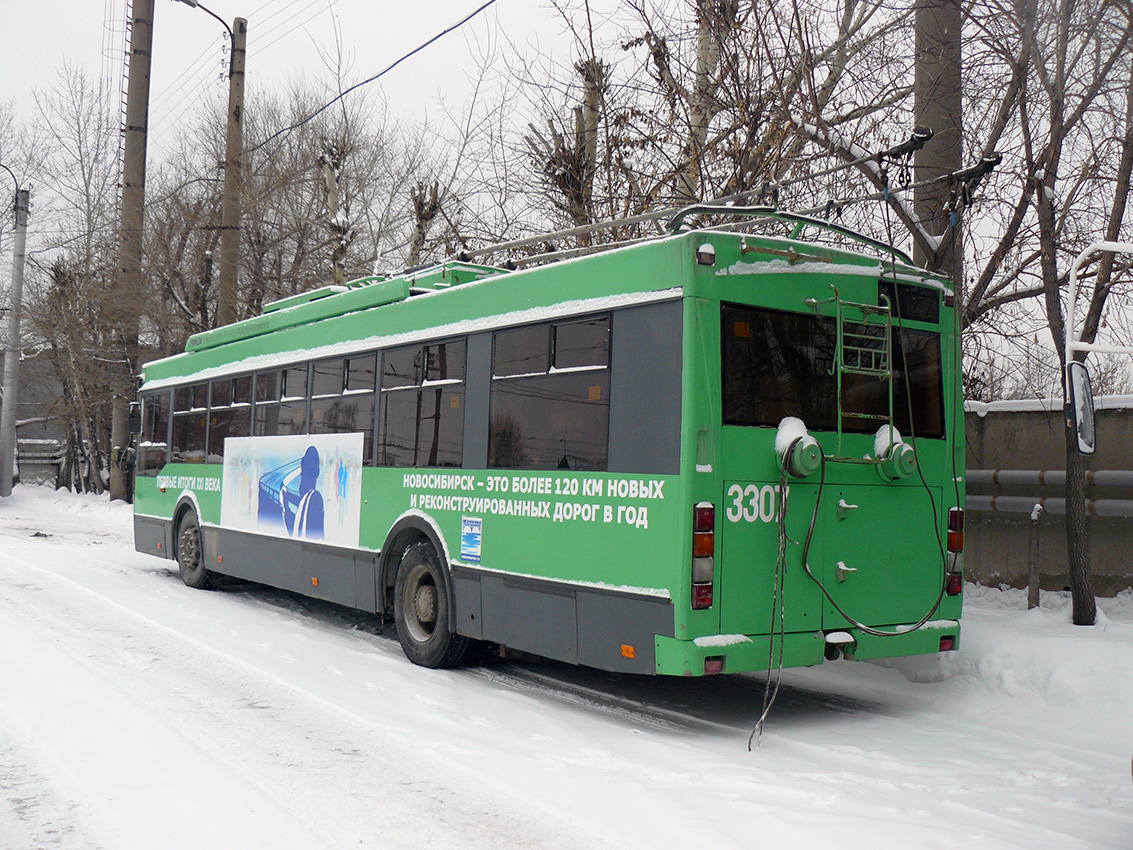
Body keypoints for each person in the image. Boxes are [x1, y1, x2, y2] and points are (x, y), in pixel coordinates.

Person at [286, 445, 324, 539]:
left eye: (303, 476)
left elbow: (299, 532)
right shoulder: (310, 498)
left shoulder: (314, 498)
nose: (300, 477)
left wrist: (286, 509)